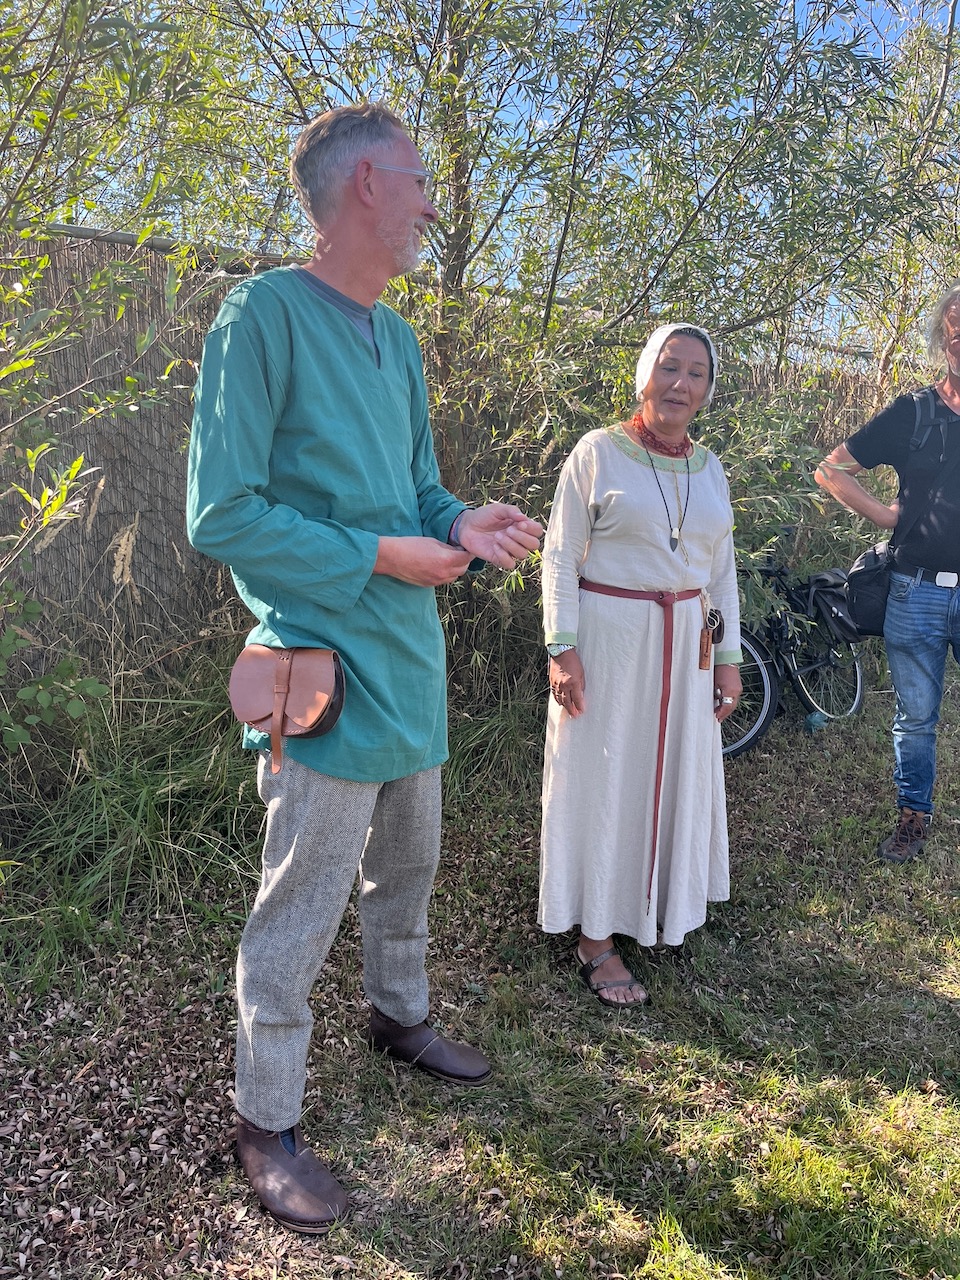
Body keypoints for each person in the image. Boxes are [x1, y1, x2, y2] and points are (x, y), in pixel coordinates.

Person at [186, 103, 542, 1235]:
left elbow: (417, 491)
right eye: (420, 180)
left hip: (410, 660)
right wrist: (382, 554)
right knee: (301, 904)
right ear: (366, 186)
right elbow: (221, 512)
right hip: (324, 669)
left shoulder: (402, 342)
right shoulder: (262, 316)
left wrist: (462, 522)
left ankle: (399, 1015)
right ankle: (265, 1119)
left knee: (408, 868)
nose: (434, 202)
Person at [538, 324, 743, 1007]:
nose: (681, 383)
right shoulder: (597, 453)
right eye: (670, 367)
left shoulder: (710, 468)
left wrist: (728, 660)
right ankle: (595, 934)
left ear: (708, 390)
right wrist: (562, 648)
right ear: (643, 374)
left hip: (688, 647)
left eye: (696, 373)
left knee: (674, 772)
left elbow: (721, 572)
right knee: (606, 776)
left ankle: (661, 901)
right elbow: (560, 556)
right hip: (611, 642)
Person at [815, 281, 960, 864]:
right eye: (956, 325)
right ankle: (913, 819)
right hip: (914, 591)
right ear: (944, 337)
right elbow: (831, 469)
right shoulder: (914, 413)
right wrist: (882, 513)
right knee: (916, 718)